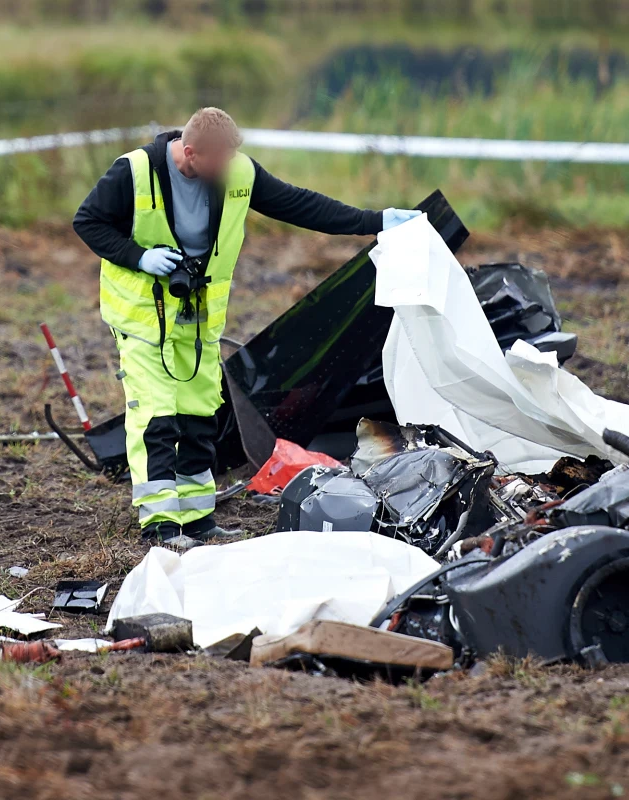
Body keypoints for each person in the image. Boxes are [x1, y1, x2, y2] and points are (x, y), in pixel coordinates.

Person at [73, 107, 421, 549]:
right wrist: (138, 256)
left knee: (199, 414)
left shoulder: (236, 171)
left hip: (198, 321)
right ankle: (161, 527)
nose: (224, 173)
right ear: (191, 151)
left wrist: (375, 221)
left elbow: (301, 205)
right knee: (156, 415)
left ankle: (198, 522)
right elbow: (87, 221)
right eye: (215, 166)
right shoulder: (134, 171)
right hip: (142, 318)